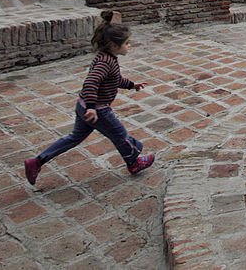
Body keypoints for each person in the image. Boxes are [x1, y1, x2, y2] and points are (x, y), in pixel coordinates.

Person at [24, 11, 153, 185]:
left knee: (74, 138)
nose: (129, 46)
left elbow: (115, 79)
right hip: (97, 110)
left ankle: (36, 162)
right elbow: (91, 83)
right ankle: (134, 163)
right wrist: (92, 107)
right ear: (114, 46)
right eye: (127, 43)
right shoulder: (104, 63)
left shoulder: (107, 58)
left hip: (83, 105)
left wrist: (131, 85)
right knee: (120, 135)